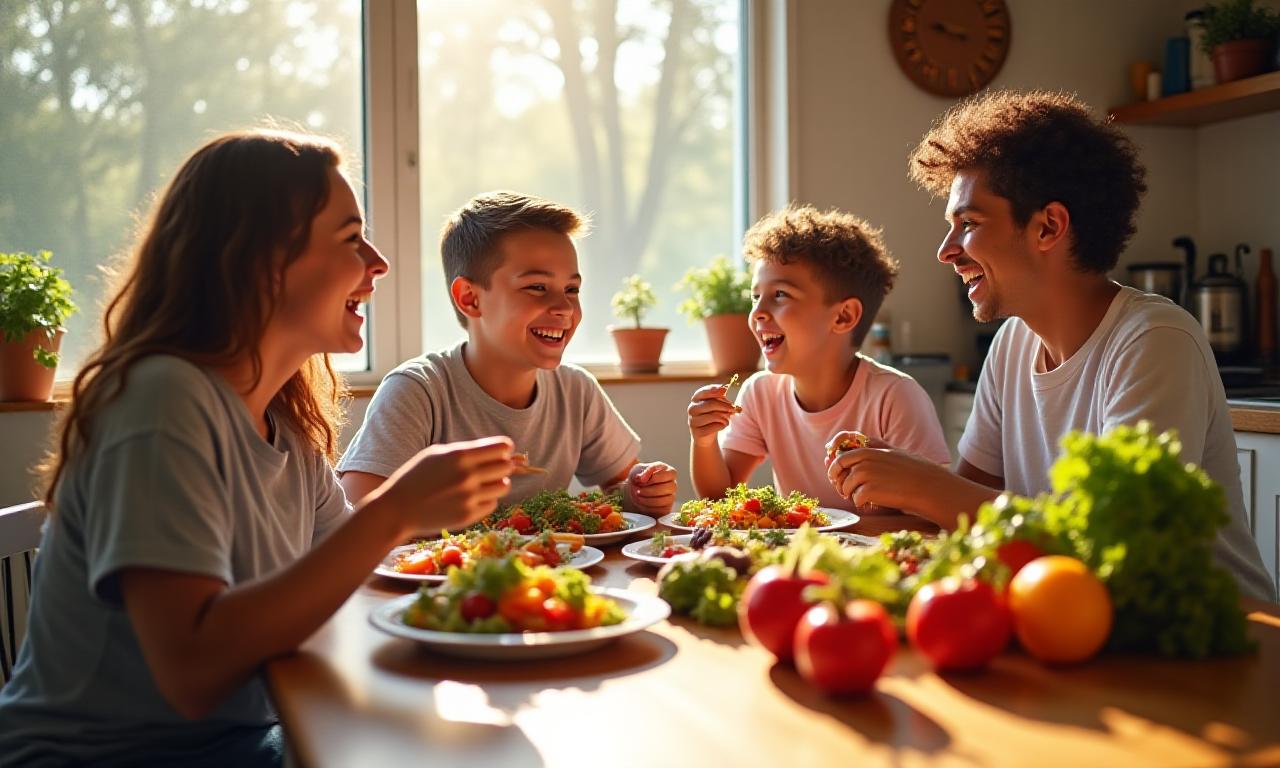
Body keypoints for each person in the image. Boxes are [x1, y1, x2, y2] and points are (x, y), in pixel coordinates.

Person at [0, 130, 516, 767]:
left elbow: (340, 583)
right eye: (351, 239)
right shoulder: (159, 401)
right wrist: (396, 512)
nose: (378, 263)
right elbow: (192, 672)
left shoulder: (285, 421)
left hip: (246, 739)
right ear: (259, 259)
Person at [825, 89, 1275, 600]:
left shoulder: (1153, 341)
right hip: (1076, 624)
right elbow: (968, 512)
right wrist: (897, 488)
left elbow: (1116, 545)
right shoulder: (1011, 344)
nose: (946, 250)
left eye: (968, 224)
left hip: (1215, 641)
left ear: (1048, 227)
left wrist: (926, 487)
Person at [338, 191, 676, 515]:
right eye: (537, 287)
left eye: (572, 289)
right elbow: (357, 518)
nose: (563, 307)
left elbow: (624, 490)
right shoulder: (417, 392)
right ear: (470, 298)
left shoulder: (576, 391)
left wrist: (644, 491)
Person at [687, 204, 950, 514]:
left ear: (843, 316)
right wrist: (704, 442)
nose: (757, 311)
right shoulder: (760, 394)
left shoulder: (895, 397)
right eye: (756, 296)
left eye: (780, 294)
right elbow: (720, 498)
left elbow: (935, 508)